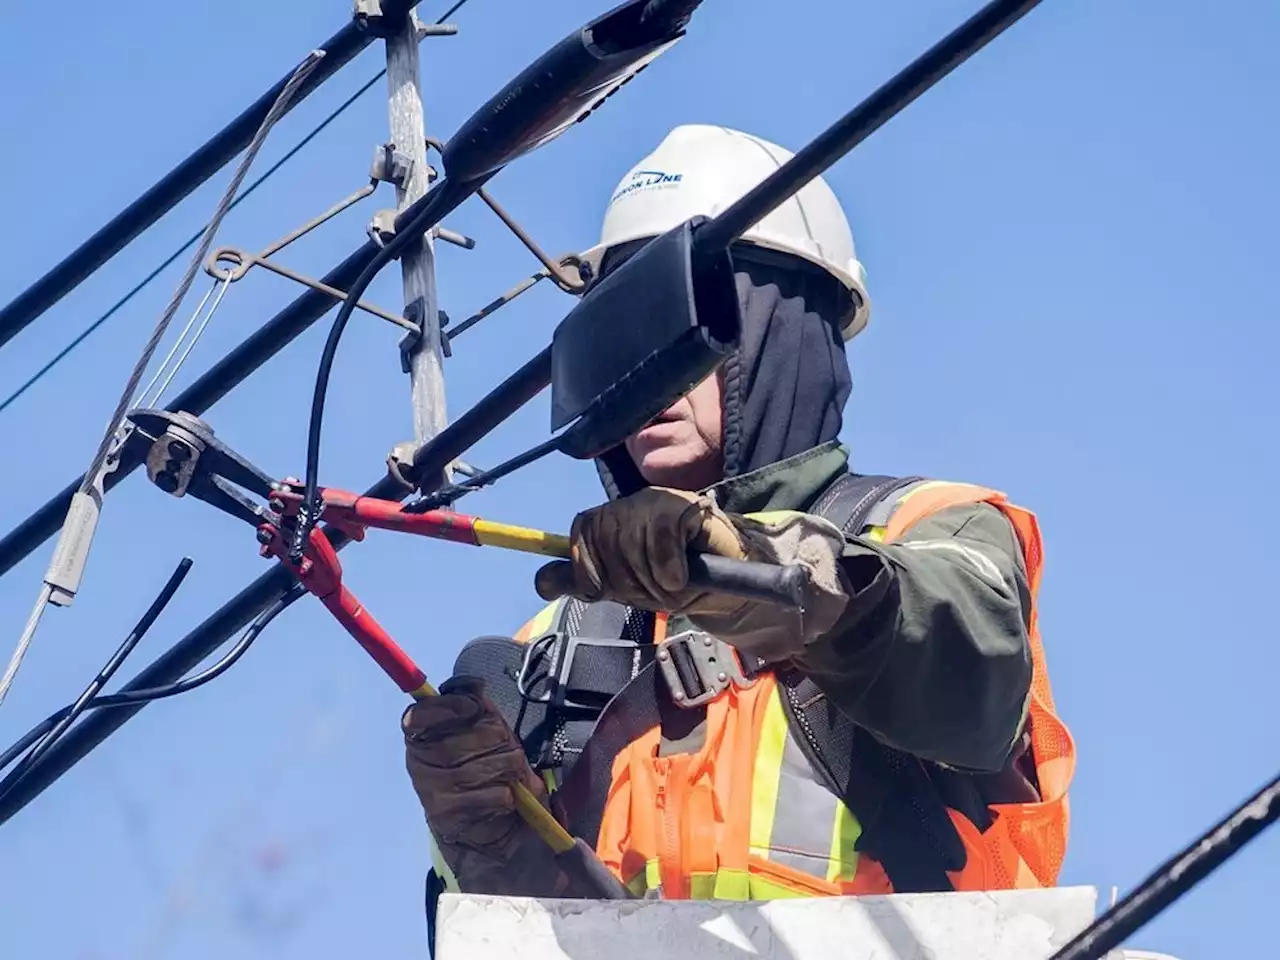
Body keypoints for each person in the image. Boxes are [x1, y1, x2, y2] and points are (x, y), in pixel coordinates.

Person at [402, 125, 1075, 929]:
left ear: (776, 333)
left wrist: (749, 567)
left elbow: (961, 661)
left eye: (680, 335)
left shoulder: (926, 529)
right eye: (625, 346)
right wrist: (483, 849)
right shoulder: (559, 641)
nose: (645, 380)